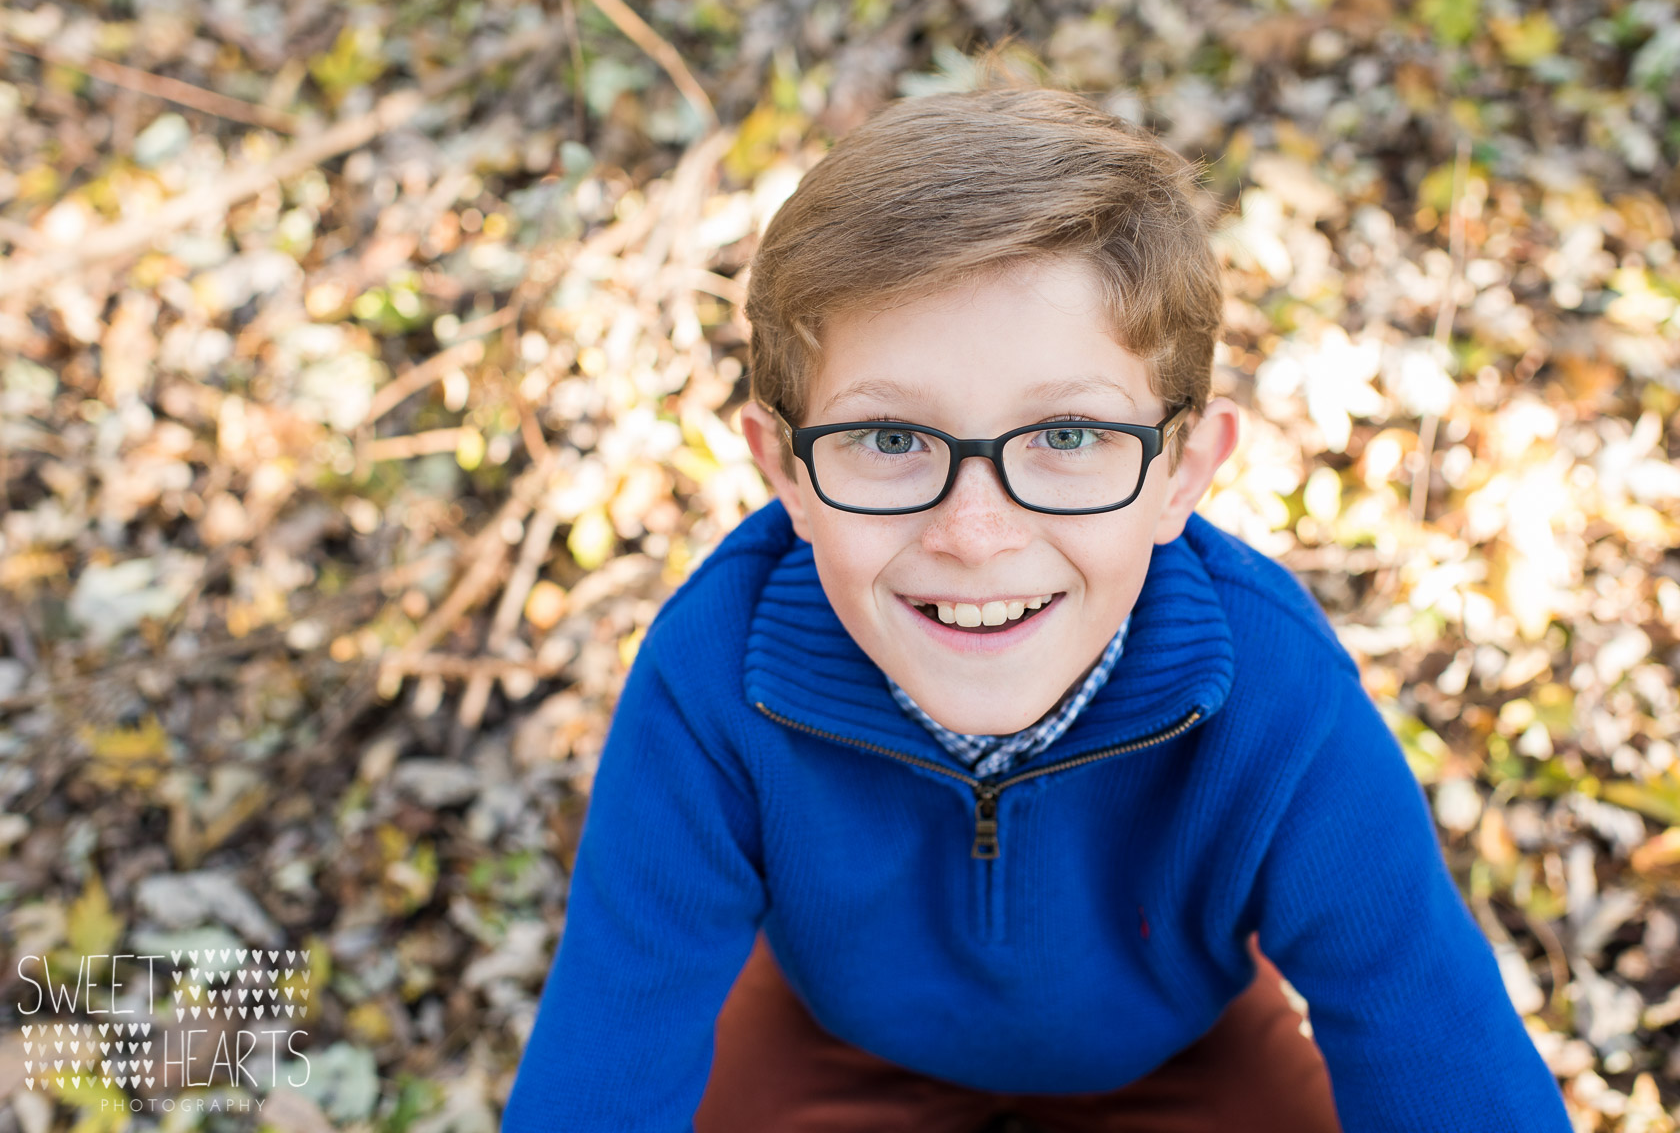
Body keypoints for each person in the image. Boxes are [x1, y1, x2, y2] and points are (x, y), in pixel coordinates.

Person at [500, 84, 1572, 1131]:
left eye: (1066, 436)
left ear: (1184, 469)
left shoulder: (1276, 695)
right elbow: (610, 1040)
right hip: (832, 1041)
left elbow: (1431, 1031)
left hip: (1178, 1050)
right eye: (888, 439)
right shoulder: (710, 680)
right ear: (783, 465)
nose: (975, 532)